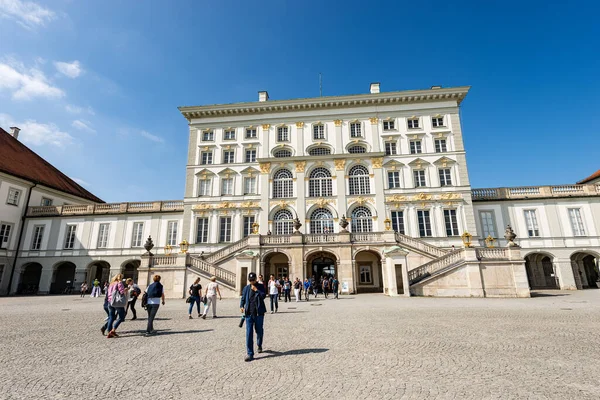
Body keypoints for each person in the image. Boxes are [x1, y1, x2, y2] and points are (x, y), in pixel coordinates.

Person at [240, 272, 266, 362]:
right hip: (249, 314)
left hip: (259, 313)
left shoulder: (261, 286)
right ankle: (250, 353)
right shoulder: (246, 288)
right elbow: (243, 298)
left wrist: (256, 290)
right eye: (250, 280)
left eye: (253, 280)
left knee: (259, 331)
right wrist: (241, 306)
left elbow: (263, 296)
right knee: (249, 333)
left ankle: (259, 344)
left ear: (256, 279)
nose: (251, 282)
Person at [106, 274, 127, 338]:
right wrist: (125, 290)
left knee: (111, 317)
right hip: (117, 302)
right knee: (121, 317)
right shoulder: (119, 283)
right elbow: (122, 292)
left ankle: (109, 331)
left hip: (110, 301)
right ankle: (113, 330)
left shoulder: (111, 284)